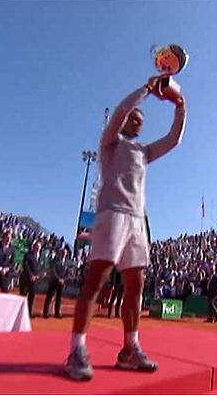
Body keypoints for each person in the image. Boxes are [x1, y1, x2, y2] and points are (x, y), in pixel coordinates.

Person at [65, 74, 187, 381]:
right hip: (112, 215)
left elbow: (174, 139)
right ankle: (77, 349)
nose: (137, 122)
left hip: (137, 220)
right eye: (134, 117)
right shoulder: (110, 143)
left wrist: (180, 106)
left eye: (140, 120)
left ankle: (130, 349)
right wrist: (146, 90)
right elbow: (120, 111)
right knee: (97, 280)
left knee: (137, 284)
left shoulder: (143, 152)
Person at [44, 248, 70, 319]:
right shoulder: (55, 260)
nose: (64, 254)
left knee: (59, 298)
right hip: (54, 280)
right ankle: (45, 313)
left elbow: (68, 272)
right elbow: (53, 270)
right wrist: (58, 278)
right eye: (62, 252)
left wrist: (64, 279)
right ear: (60, 253)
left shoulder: (67, 262)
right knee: (49, 296)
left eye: (65, 252)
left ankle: (57, 313)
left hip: (61, 282)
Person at [20, 241, 43, 317]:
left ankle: (29, 313)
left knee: (32, 297)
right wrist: (31, 275)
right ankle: (20, 313)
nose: (37, 248)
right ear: (33, 247)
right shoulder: (28, 255)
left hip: (35, 281)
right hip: (26, 279)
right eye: (36, 246)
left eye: (39, 247)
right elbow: (25, 265)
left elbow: (42, 268)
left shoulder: (41, 257)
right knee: (23, 297)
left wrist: (38, 276)